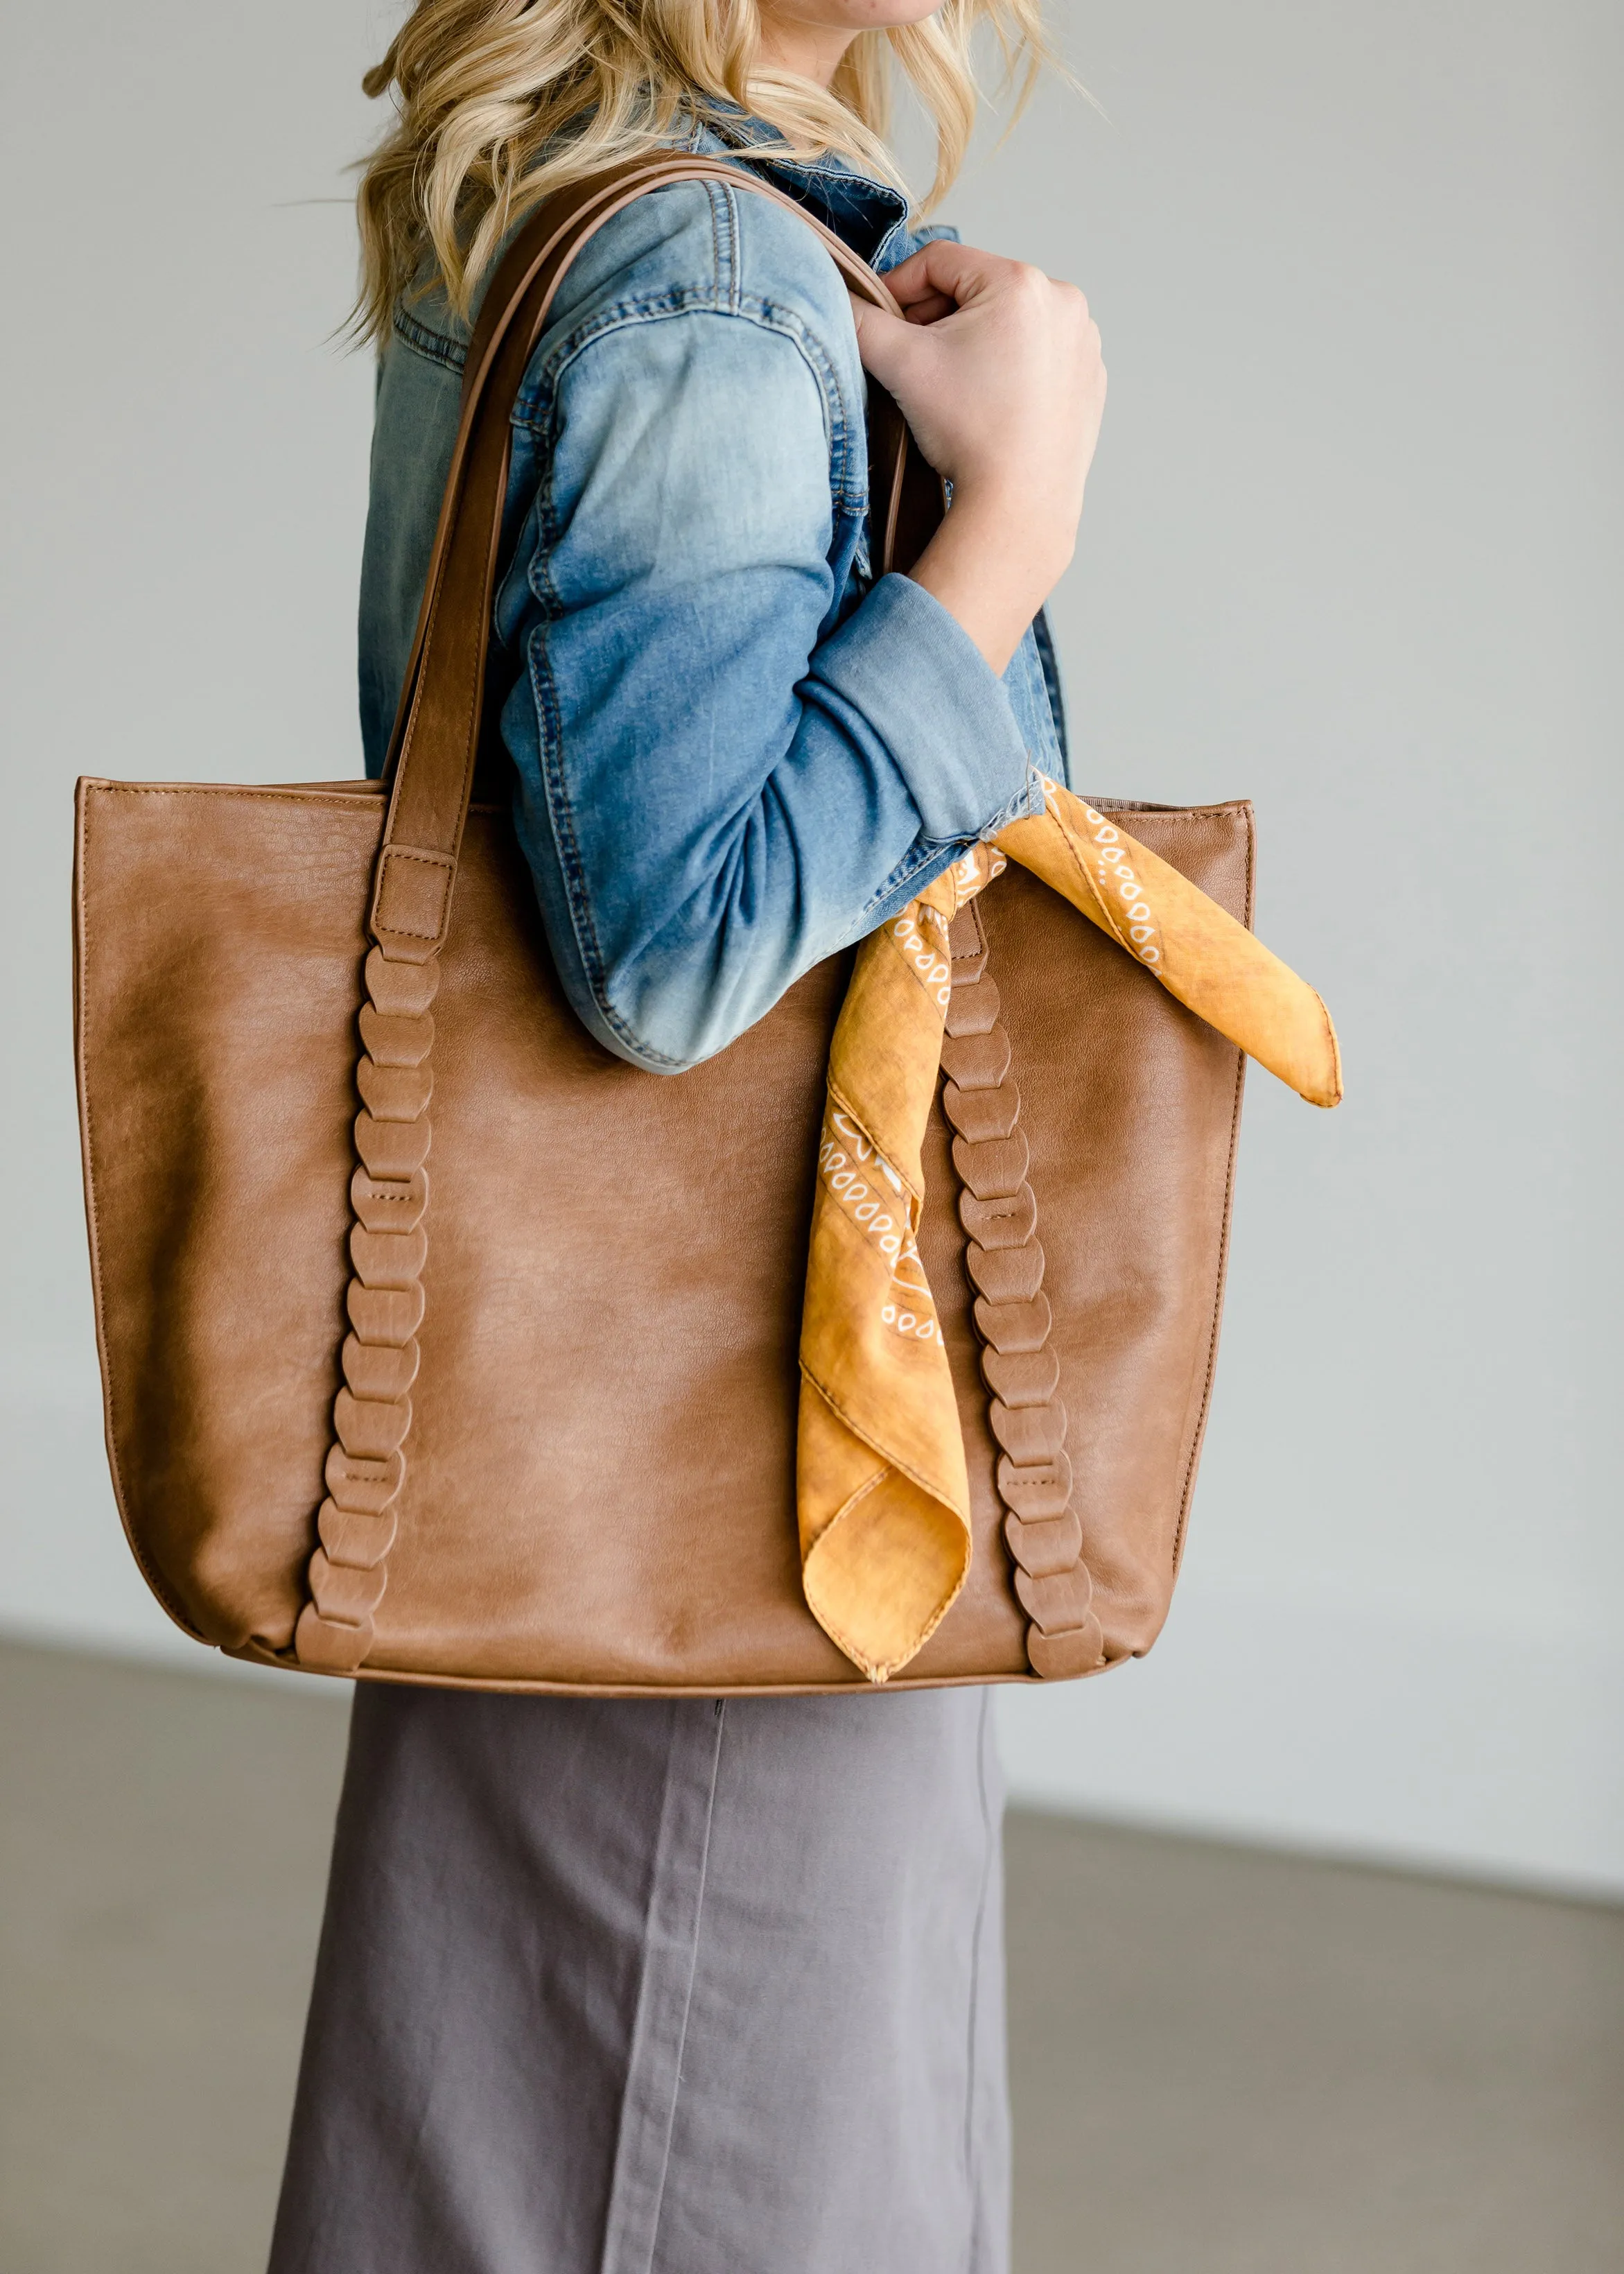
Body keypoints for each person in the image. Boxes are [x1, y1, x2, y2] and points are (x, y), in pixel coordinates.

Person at [270, 0, 1105, 2266]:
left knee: (532, 2130)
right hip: (730, 1437)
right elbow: (676, 943)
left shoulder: (654, 208)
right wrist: (1011, 515)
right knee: (733, 2164)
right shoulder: (703, 284)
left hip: (613, 1406)